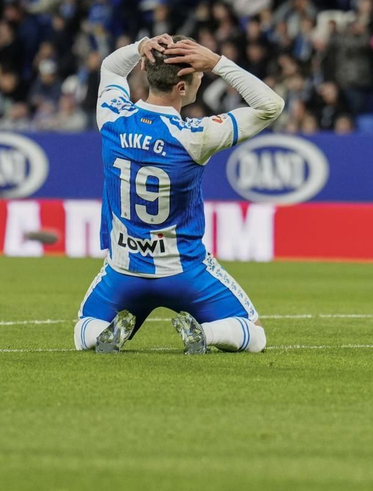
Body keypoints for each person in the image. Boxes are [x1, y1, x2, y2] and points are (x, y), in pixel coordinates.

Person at [73, 35, 284, 354]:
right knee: (254, 336)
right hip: (184, 272)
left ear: (145, 69)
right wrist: (217, 62)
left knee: (83, 331)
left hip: (123, 271)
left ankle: (107, 332)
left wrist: (139, 46)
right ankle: (206, 333)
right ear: (182, 87)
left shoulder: (112, 116)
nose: (201, 79)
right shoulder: (196, 136)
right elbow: (271, 106)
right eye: (198, 76)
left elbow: (112, 70)